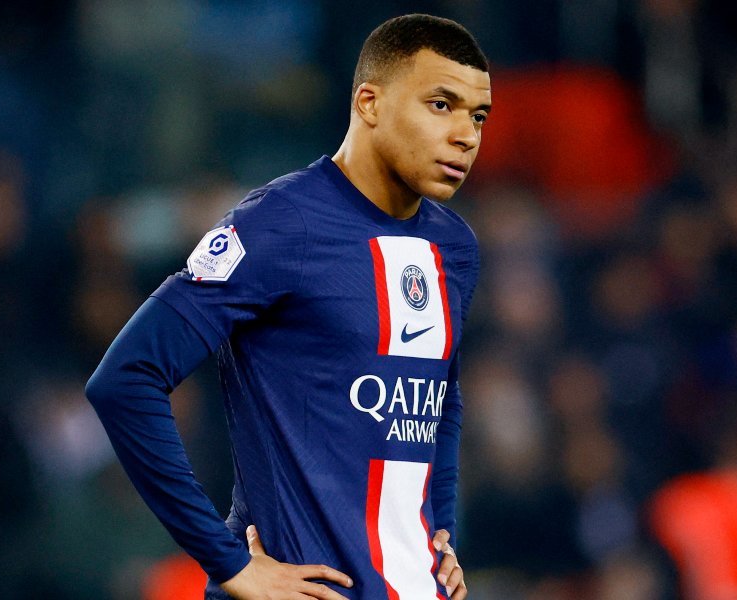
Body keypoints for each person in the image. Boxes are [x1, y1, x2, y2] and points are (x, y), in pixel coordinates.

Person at [85, 14, 490, 600]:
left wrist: (442, 533)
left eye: (477, 116)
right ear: (370, 103)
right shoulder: (281, 223)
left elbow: (439, 395)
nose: (466, 135)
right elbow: (126, 378)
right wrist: (229, 563)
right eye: (442, 105)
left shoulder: (454, 248)